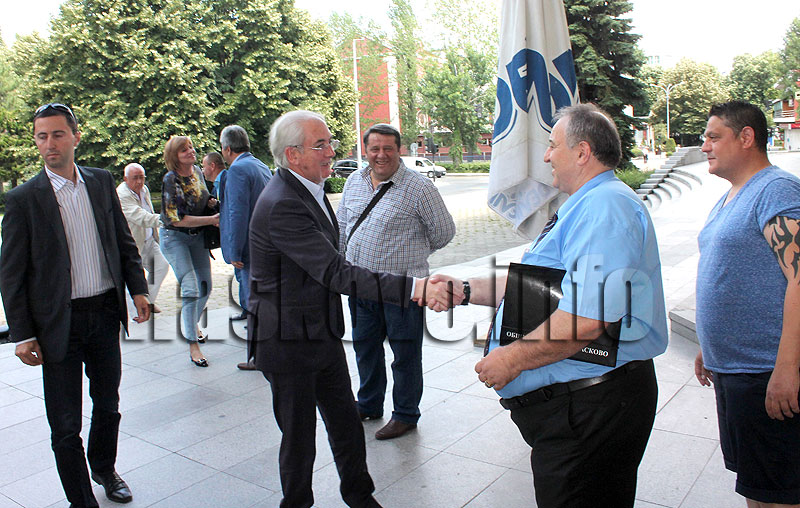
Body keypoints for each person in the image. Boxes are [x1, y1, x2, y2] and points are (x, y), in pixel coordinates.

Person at [427, 103, 668, 508]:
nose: (545, 156)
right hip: (581, 408)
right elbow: (540, 287)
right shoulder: (589, 204)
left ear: (582, 152)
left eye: (553, 145)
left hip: (590, 409)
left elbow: (587, 319)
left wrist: (512, 358)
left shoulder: (605, 208)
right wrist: (465, 289)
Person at [249, 110, 431, 508]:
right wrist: (415, 287)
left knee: (346, 423)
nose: (332, 151)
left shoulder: (307, 188)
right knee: (299, 437)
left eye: (330, 142)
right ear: (293, 154)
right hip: (288, 341)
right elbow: (335, 271)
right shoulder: (283, 203)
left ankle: (360, 497)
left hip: (320, 334)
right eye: (321, 145)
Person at [0, 103, 150, 506]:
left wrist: (137, 288)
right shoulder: (23, 200)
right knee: (65, 424)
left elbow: (122, 241)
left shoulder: (100, 182)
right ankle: (80, 499)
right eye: (42, 136)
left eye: (57, 134)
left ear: (75, 137)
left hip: (103, 313)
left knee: (108, 404)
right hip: (57, 325)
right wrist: (22, 334)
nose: (49, 143)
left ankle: (104, 467)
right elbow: (11, 275)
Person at [694, 100, 800, 507]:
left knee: (778, 496)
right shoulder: (732, 196)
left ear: (746, 137)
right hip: (735, 372)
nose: (705, 146)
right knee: (757, 488)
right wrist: (709, 344)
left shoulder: (775, 190)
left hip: (765, 373)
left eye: (713, 137)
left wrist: (787, 368)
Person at [337, 123, 455, 439]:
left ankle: (405, 414)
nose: (381, 155)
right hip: (361, 285)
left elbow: (444, 232)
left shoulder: (419, 188)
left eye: (388, 148)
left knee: (405, 355)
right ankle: (369, 404)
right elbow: (342, 226)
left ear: (398, 150)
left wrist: (411, 253)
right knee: (365, 350)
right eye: (374, 148)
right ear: (365, 150)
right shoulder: (354, 181)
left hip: (404, 289)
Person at [159, 135, 219, 367]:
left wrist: (211, 202)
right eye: (184, 149)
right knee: (191, 288)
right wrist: (211, 219)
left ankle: (191, 323)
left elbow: (203, 198)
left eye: (191, 147)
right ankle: (193, 345)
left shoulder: (196, 172)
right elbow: (176, 219)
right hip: (175, 238)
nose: (190, 151)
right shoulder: (171, 179)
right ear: (174, 156)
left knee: (206, 286)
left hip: (197, 237)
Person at [219, 125, 272, 369]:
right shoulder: (260, 165)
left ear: (227, 149)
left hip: (250, 249)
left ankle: (258, 357)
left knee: (254, 303)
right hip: (265, 244)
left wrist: (234, 250)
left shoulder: (237, 170)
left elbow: (237, 213)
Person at [117, 163, 168, 314]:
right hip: (132, 243)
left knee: (161, 266)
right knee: (133, 278)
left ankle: (148, 302)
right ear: (125, 178)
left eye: (142, 177)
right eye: (135, 178)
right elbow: (141, 217)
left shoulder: (144, 190)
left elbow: (148, 211)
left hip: (149, 240)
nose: (139, 181)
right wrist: (168, 220)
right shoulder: (121, 195)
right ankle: (135, 311)